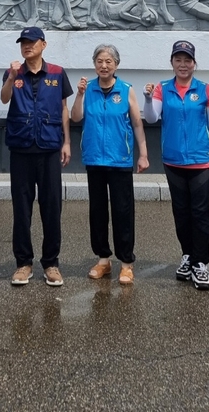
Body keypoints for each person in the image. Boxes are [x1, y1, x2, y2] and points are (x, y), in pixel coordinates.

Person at [143, 41, 209, 290]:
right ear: (172, 62)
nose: (183, 64)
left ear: (194, 63)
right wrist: (147, 98)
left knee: (200, 212)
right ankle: (187, 256)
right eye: (178, 59)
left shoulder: (205, 89)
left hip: (201, 161)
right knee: (181, 211)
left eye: (187, 60)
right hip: (173, 160)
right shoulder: (162, 88)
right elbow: (151, 117)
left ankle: (201, 263)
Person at [70, 44, 149, 285]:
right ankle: (103, 259)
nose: (104, 66)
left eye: (108, 61)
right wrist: (80, 94)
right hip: (94, 158)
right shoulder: (88, 89)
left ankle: (126, 263)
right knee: (98, 211)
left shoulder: (126, 90)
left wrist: (143, 153)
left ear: (116, 64)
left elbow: (137, 123)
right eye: (100, 61)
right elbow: (75, 117)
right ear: (94, 64)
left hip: (120, 159)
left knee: (122, 212)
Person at [0, 26, 72, 286]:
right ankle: (23, 263)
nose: (27, 46)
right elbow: (4, 98)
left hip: (50, 147)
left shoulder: (57, 72)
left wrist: (67, 142)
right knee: (21, 208)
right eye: (23, 42)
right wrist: (10, 78)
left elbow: (64, 109)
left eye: (32, 42)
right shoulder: (14, 73)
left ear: (43, 44)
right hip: (21, 147)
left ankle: (51, 263)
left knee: (52, 207)